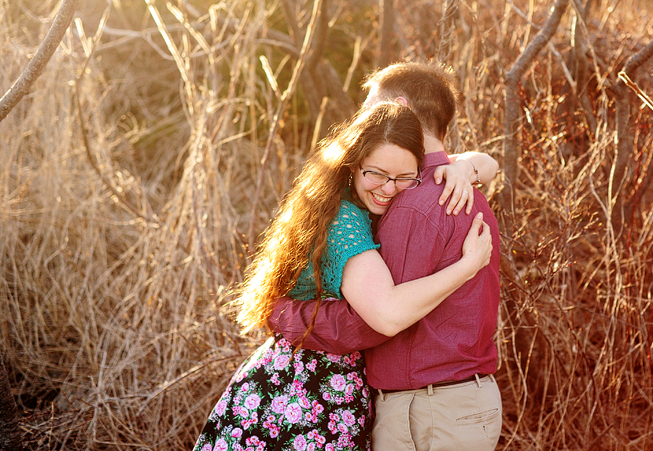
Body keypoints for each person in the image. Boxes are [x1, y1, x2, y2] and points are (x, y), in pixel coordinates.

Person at [193, 102, 494, 451]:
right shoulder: (345, 222)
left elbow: (488, 164)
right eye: (376, 174)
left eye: (404, 178)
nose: (388, 188)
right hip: (301, 397)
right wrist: (466, 267)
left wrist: (466, 168)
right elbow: (388, 314)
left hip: (321, 391)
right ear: (353, 165)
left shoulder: (355, 201)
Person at [269, 61, 503, 451]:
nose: (361, 119)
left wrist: (284, 314)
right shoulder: (461, 187)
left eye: (369, 108)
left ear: (398, 109)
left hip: (429, 410)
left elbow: (379, 319)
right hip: (461, 402)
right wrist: (470, 164)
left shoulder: (412, 203)